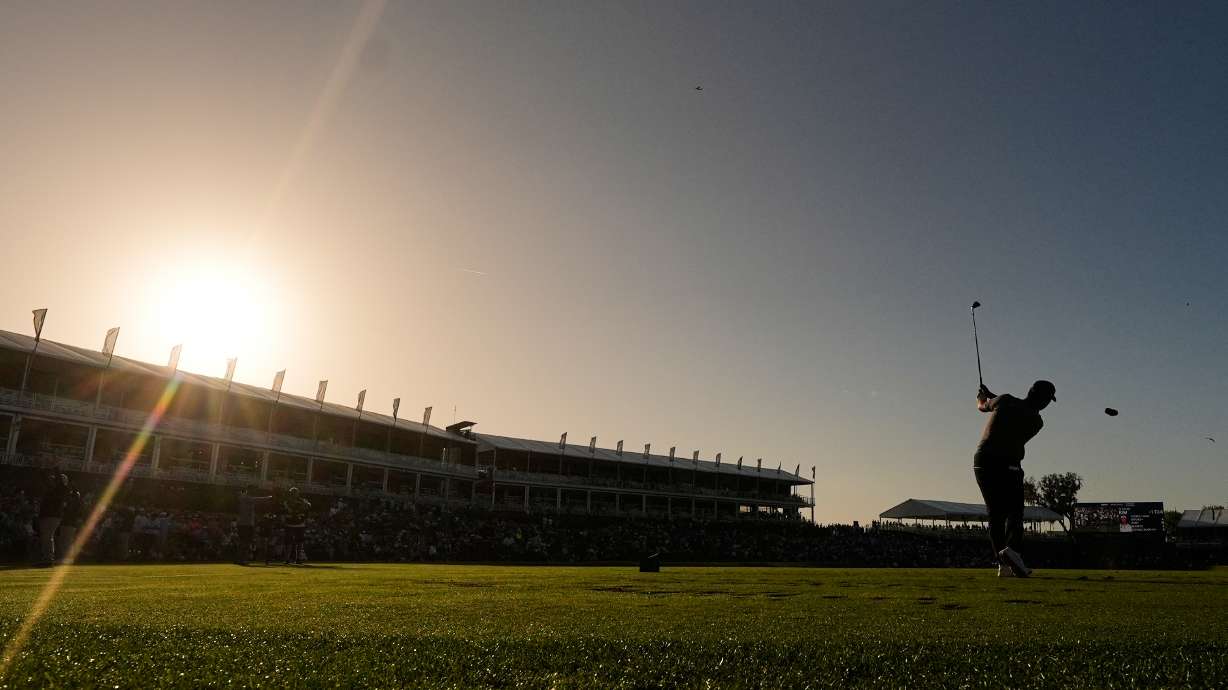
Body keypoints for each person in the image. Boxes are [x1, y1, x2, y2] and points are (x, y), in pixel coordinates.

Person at [974, 380, 1056, 577]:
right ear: (1043, 400)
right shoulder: (1037, 422)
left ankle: (1003, 565)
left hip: (982, 461)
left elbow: (983, 406)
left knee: (995, 514)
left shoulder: (1005, 400)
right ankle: (1012, 552)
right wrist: (993, 396)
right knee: (1014, 511)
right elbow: (1017, 411)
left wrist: (982, 397)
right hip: (1008, 463)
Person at [236, 486, 273, 565]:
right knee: (246, 542)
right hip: (246, 524)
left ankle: (240, 559)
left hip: (243, 523)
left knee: (243, 542)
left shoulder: (243, 498)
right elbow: (258, 500)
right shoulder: (246, 498)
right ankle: (242, 559)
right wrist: (269, 497)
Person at [36, 474, 67, 566]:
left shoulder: (59, 490)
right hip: (47, 515)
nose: (49, 481)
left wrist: (57, 470)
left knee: (48, 537)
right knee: (45, 537)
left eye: (51, 480)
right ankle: (46, 558)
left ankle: (48, 559)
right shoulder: (50, 491)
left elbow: (61, 484)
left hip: (53, 516)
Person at [282, 487, 311, 564]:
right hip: (290, 523)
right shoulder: (287, 502)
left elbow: (308, 506)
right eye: (293, 492)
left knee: (299, 542)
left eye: (295, 492)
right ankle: (287, 559)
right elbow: (285, 511)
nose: (294, 494)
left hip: (300, 523)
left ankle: (298, 558)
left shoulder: (302, 501)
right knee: (289, 542)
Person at [58, 478, 83, 563]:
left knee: (66, 540)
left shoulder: (74, 495)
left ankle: (66, 558)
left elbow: (69, 507)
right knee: (66, 539)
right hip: (69, 520)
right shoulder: (74, 495)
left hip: (69, 520)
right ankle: (68, 558)